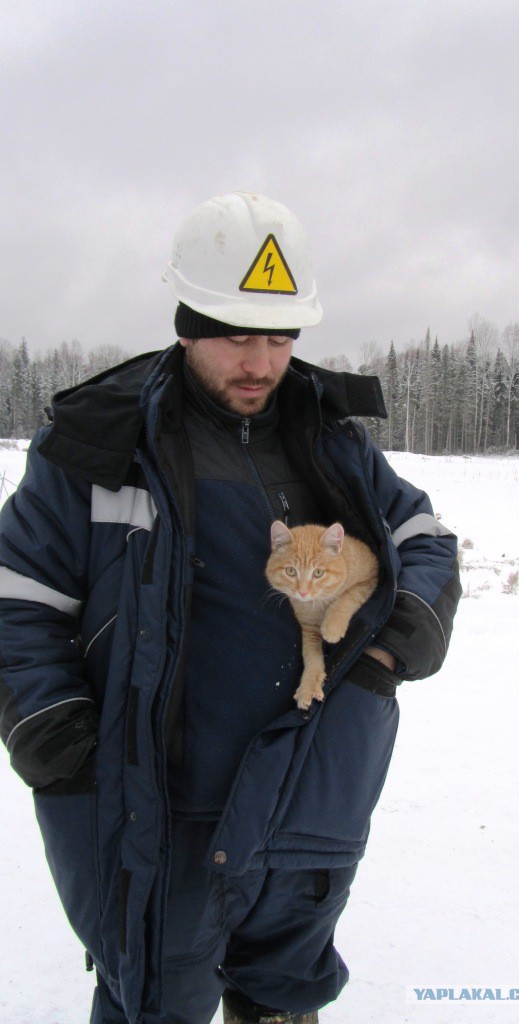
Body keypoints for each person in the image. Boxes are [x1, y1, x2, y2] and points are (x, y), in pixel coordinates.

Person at [0, 191, 461, 1024]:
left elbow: (423, 537)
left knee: (284, 996)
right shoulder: (98, 442)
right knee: (155, 1000)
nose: (261, 362)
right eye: (235, 336)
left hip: (311, 799)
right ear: (185, 324)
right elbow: (17, 596)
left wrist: (390, 647)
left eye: (280, 337)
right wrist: (56, 730)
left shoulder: (331, 438)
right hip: (158, 808)